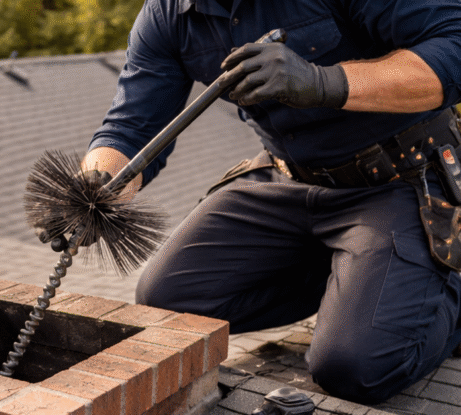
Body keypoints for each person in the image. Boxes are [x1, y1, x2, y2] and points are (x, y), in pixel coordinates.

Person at [78, 0, 461, 405]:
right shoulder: (168, 15)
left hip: (397, 179)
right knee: (167, 304)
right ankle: (354, 279)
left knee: (354, 368)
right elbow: (130, 127)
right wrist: (93, 188)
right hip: (287, 178)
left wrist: (323, 82)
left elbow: (454, 47)